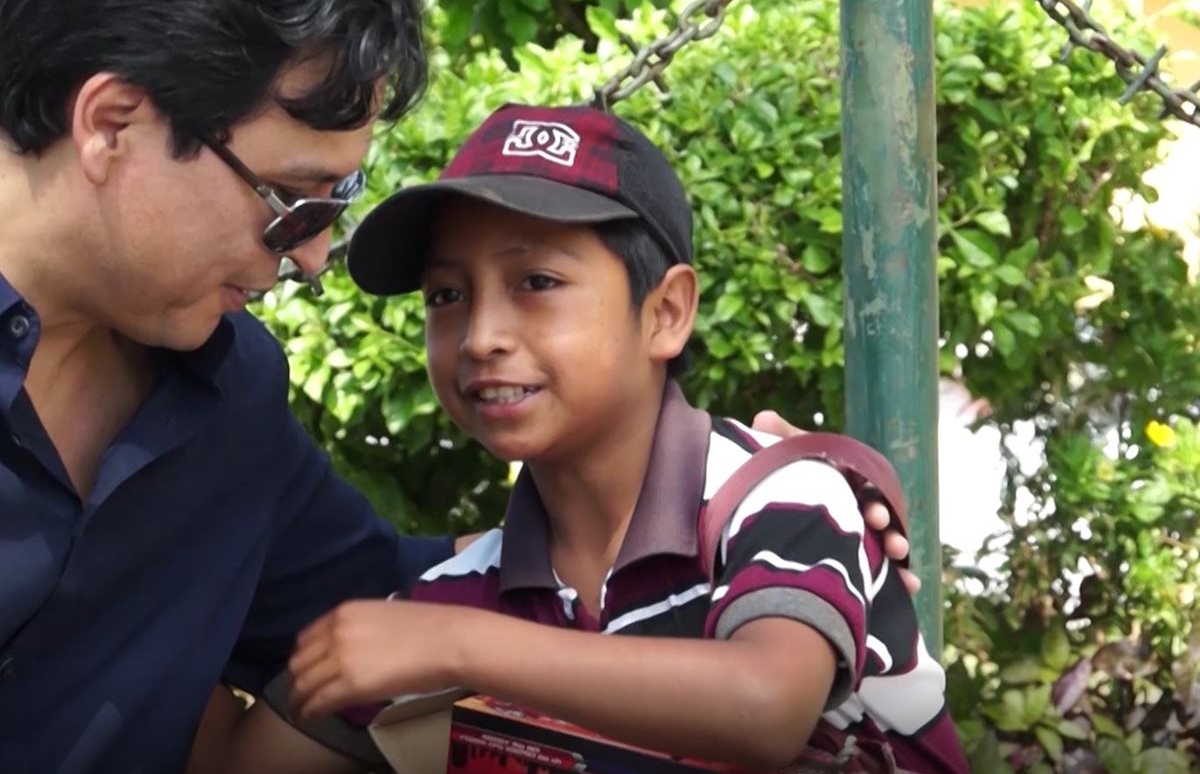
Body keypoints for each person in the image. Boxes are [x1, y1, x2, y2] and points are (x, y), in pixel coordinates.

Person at [0, 0, 910, 772]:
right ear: (113, 124)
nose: (313, 258)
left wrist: (767, 497)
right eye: (291, 201)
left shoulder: (226, 397)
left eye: (331, 210)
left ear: (667, 310)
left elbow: (391, 605)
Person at [213, 104, 967, 773]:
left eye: (536, 282)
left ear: (667, 312)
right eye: (447, 295)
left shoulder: (782, 497)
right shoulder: (461, 594)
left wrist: (457, 646)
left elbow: (766, 707)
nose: (481, 336)